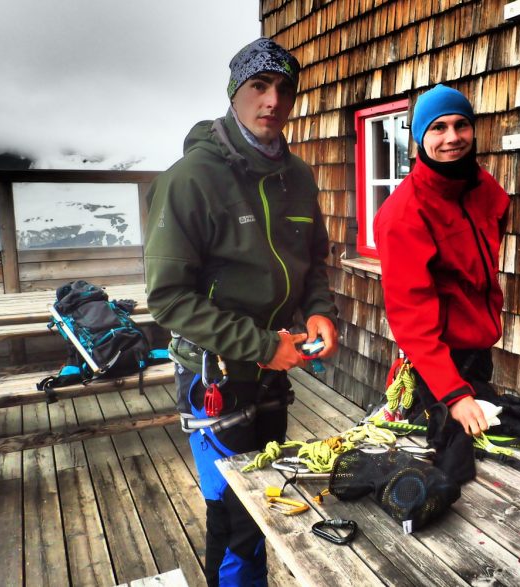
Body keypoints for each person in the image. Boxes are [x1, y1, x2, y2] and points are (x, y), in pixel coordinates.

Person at [144, 37, 338, 586]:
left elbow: (312, 264)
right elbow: (167, 298)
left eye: (284, 88)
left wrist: (319, 312)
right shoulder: (191, 179)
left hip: (277, 368)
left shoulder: (297, 177)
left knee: (267, 493)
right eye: (259, 86)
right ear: (235, 92)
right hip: (215, 376)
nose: (272, 100)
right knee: (233, 513)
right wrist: (262, 346)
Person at [373, 84, 510, 483]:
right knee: (447, 477)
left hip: (478, 350)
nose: (452, 137)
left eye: (461, 125)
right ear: (419, 137)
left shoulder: (482, 188)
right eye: (438, 128)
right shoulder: (403, 214)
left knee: (490, 462)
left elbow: (498, 216)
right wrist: (453, 393)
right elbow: (411, 318)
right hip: (434, 368)